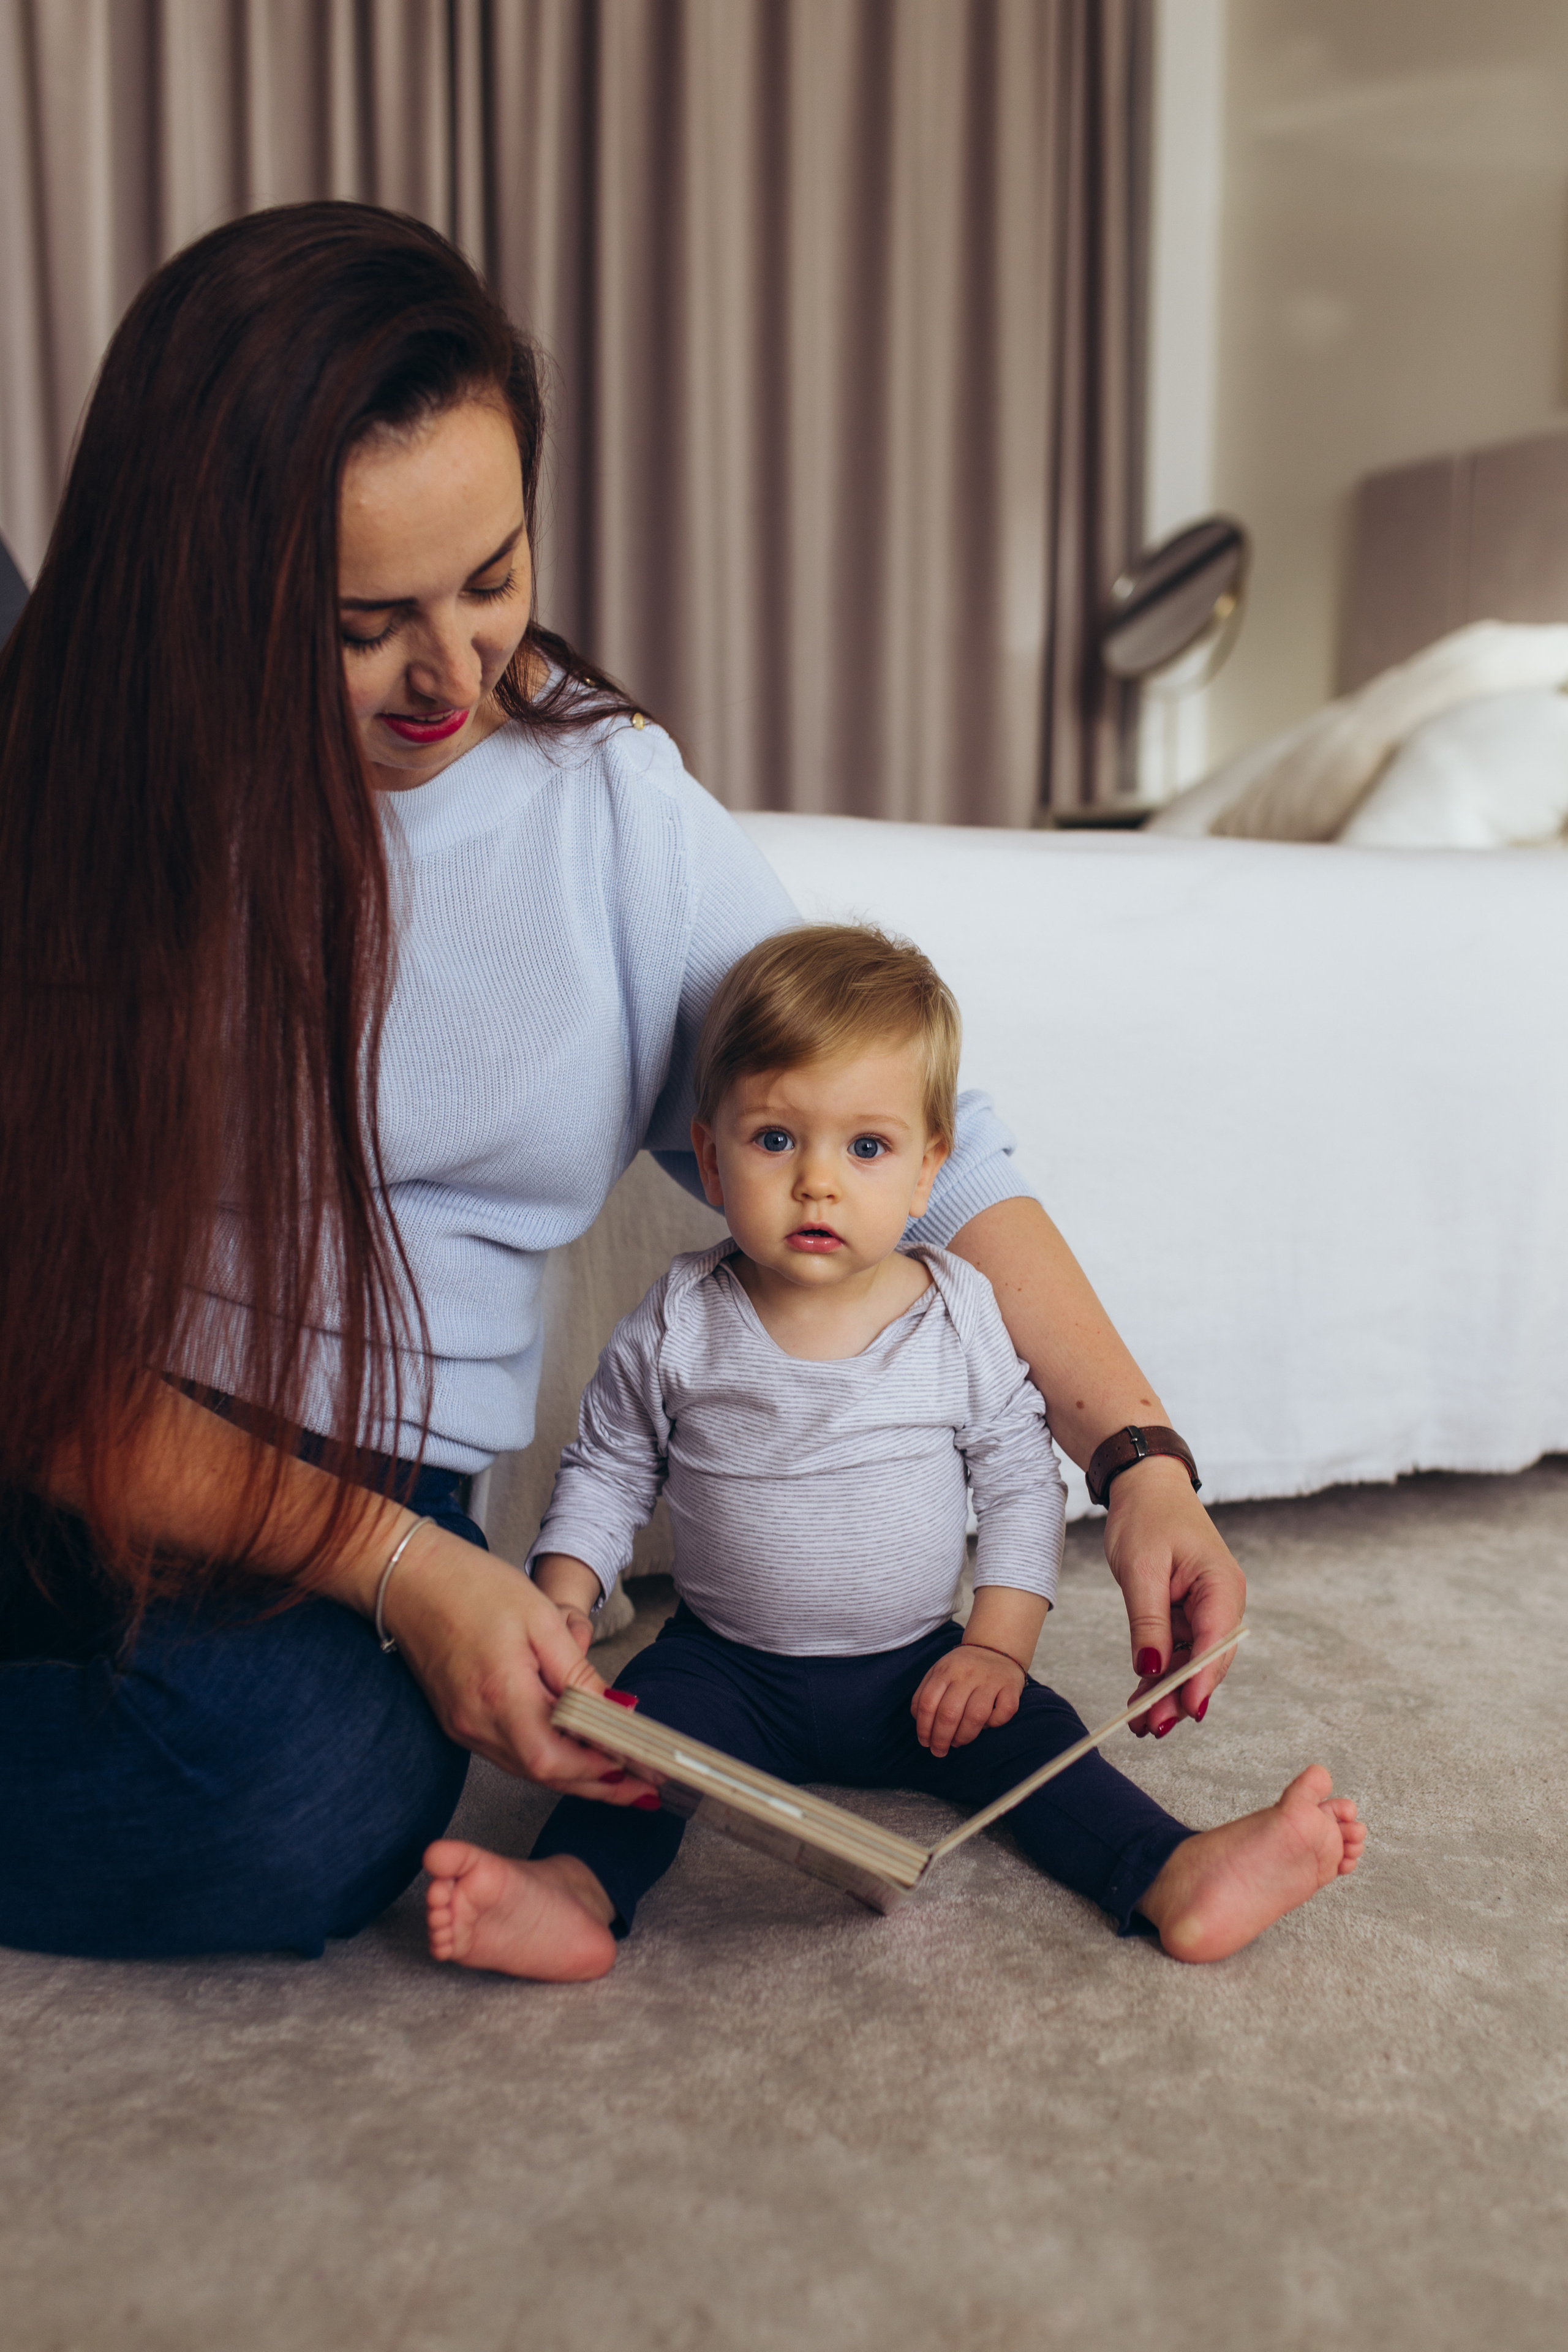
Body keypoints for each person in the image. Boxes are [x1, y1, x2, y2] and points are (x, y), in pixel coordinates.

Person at [0, 201, 1247, 1965]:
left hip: (347, 1487)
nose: (459, 674)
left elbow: (924, 1157)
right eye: (367, 623)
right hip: (78, 1421)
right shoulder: (87, 809)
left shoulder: (606, 810)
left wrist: (1139, 1459)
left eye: (496, 578)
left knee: (301, 1803)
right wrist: (413, 1581)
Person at [424, 928, 1366, 1978]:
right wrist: (562, 1595)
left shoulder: (961, 1315)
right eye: (777, 1140)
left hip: (922, 1670)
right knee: (627, 1750)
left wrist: (997, 1650)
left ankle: (1171, 1872)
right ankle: (576, 1894)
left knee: (1043, 1752)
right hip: (723, 1668)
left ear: (929, 1174)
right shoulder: (680, 1318)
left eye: (865, 1149)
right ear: (710, 1151)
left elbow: (1018, 1481)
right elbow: (607, 1469)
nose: (818, 1183)